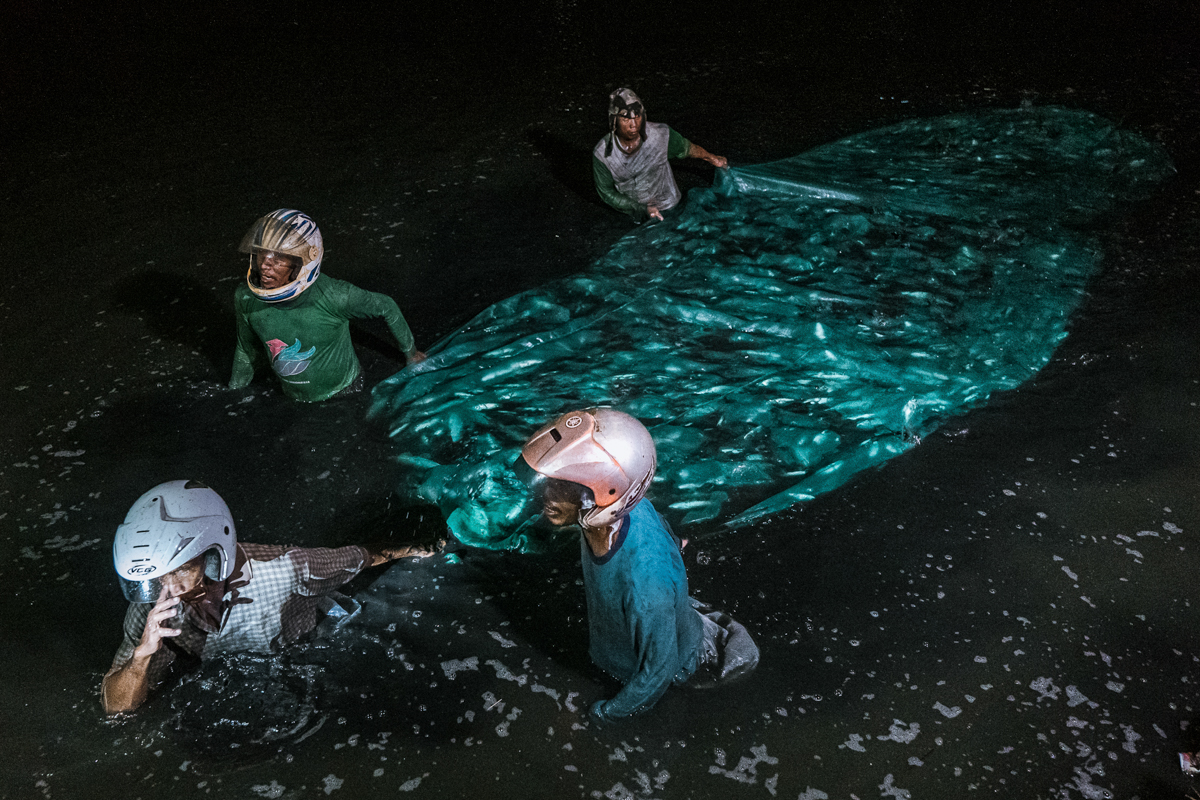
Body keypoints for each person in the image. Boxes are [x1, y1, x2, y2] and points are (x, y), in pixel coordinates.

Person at [102, 479, 439, 714]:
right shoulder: (152, 611)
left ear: (214, 553)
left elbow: (356, 558)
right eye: (158, 577)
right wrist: (142, 656)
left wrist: (413, 549)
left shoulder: (287, 570)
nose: (168, 588)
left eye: (180, 570)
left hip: (309, 652)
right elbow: (116, 706)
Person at [519, 407, 758, 723]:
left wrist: (602, 715)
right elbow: (670, 539)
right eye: (552, 483)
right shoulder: (625, 508)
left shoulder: (643, 585)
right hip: (653, 631)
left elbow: (658, 673)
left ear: (608, 495)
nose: (548, 496)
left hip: (684, 670)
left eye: (565, 487)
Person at [228, 209, 427, 402]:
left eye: (279, 257)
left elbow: (386, 306)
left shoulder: (336, 296)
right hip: (292, 398)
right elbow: (246, 349)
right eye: (262, 254)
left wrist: (411, 354)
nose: (264, 265)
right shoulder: (245, 298)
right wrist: (233, 395)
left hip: (345, 394)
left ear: (304, 262)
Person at [593, 88, 728, 222]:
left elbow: (687, 148)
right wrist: (640, 208)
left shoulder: (660, 135)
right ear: (614, 120)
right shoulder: (603, 154)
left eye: (637, 116)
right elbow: (607, 193)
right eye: (626, 118)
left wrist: (713, 159)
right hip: (634, 214)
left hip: (670, 205)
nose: (633, 125)